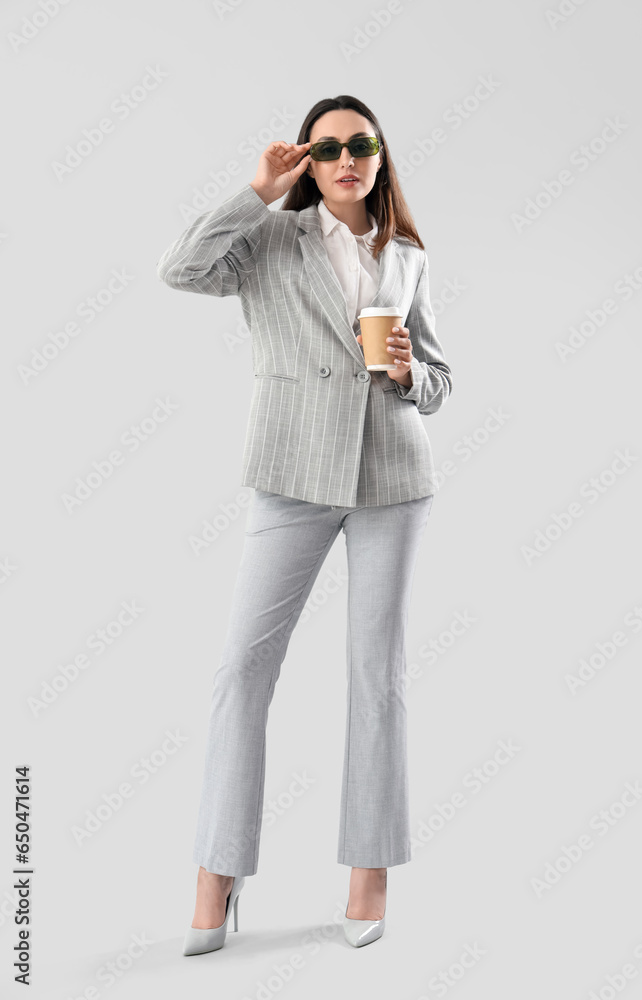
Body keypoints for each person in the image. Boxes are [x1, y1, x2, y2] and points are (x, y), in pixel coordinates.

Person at [156, 94, 453, 953]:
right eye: (328, 148)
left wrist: (405, 375)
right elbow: (180, 268)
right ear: (307, 163)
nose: (347, 159)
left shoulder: (405, 255)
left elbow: (438, 378)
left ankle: (369, 872)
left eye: (362, 144)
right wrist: (254, 192)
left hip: (394, 474)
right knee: (241, 671)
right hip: (292, 474)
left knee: (377, 677)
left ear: (380, 156)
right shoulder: (269, 241)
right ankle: (218, 871)